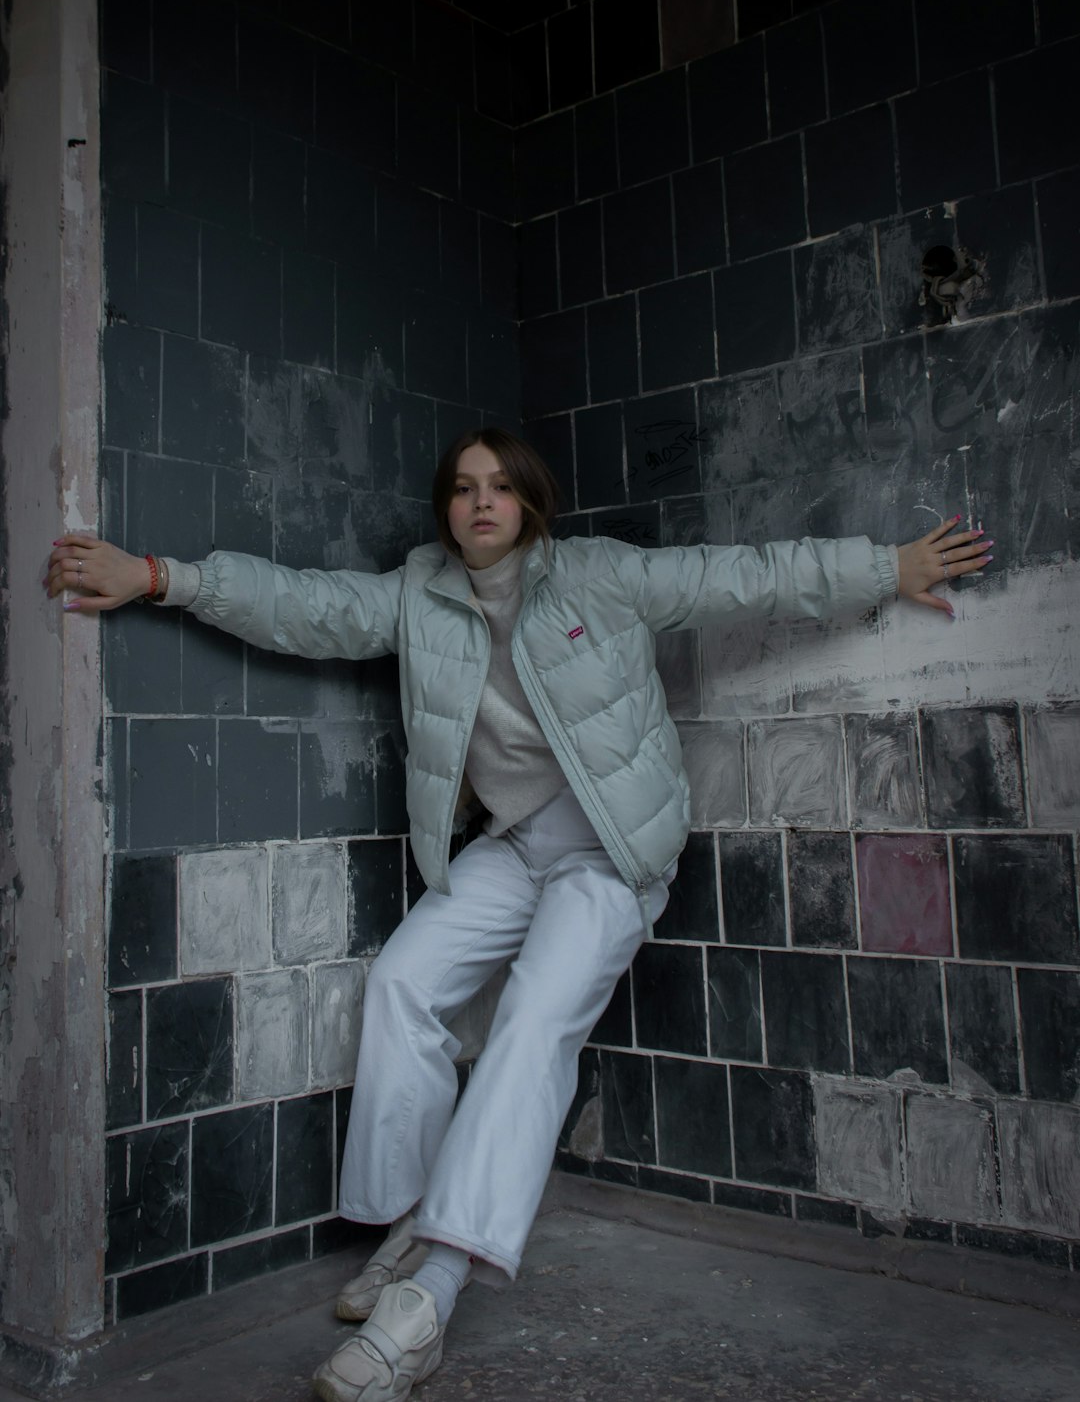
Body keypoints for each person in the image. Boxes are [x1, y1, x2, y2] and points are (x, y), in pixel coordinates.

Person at [46, 429, 993, 1402]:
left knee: (533, 1025)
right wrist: (161, 576)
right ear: (446, 508)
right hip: (513, 847)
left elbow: (744, 578)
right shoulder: (420, 593)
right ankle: (416, 1229)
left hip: (613, 856)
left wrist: (887, 567)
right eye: (463, 488)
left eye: (500, 486)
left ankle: (429, 1306)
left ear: (530, 502)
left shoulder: (597, 578)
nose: (481, 503)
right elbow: (309, 607)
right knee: (403, 985)